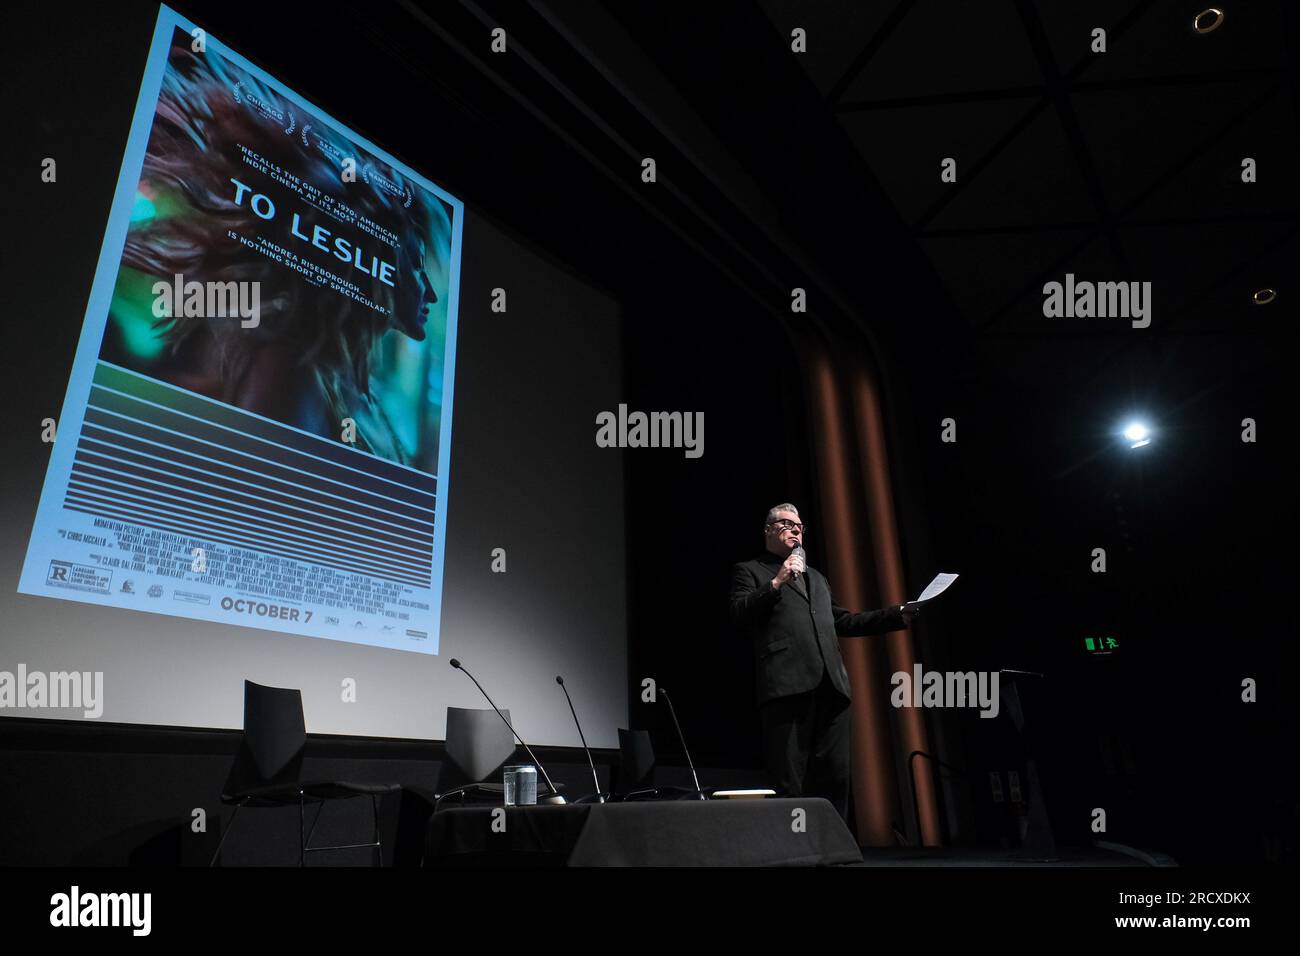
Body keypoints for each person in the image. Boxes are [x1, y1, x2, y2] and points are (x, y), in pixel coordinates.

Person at [729, 503, 913, 820]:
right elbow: (739, 612)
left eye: (800, 525)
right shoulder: (750, 570)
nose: (796, 529)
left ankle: (832, 847)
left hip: (832, 686)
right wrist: (777, 582)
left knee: (836, 775)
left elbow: (843, 622)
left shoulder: (816, 578)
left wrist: (896, 614)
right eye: (787, 523)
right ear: (768, 530)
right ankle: (793, 852)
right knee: (789, 779)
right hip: (786, 686)